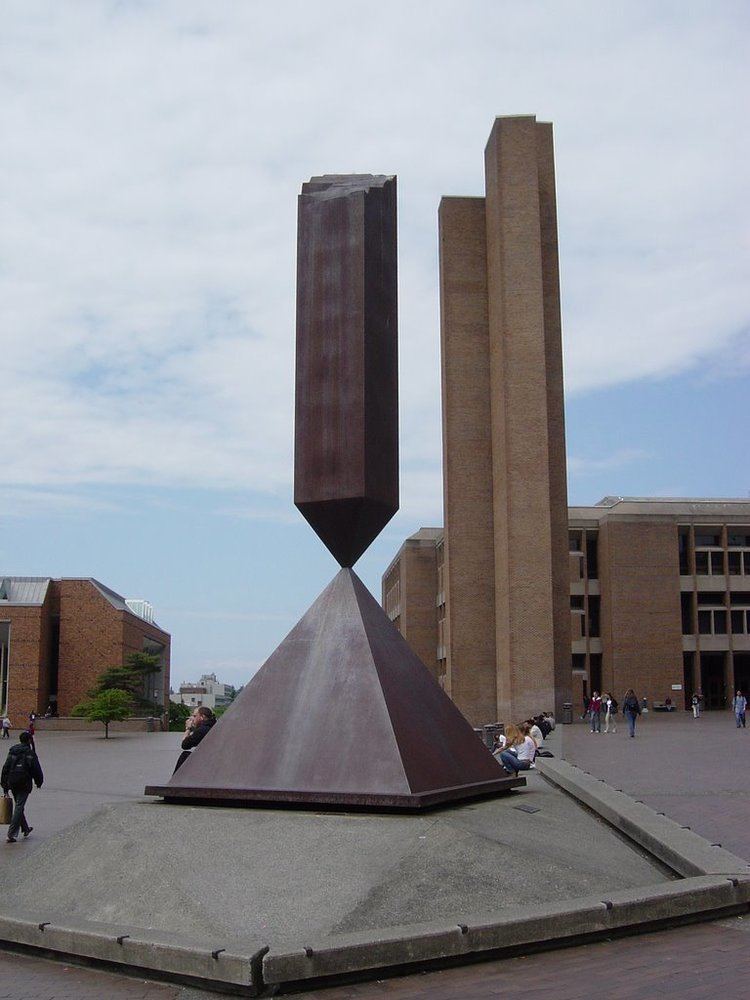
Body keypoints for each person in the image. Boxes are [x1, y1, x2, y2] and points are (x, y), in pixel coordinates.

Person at [1, 731, 43, 843]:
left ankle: (25, 828)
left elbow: (5, 768)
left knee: (19, 805)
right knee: (19, 806)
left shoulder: (13, 751)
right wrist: (39, 782)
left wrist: (4, 785)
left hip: (13, 782)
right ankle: (11, 834)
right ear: (29, 740)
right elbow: (36, 769)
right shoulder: (30, 753)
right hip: (24, 783)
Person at [173, 706, 216, 773]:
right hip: (213, 759)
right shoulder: (214, 726)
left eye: (195, 716)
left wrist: (188, 729)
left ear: (202, 717)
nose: (193, 719)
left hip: (206, 762)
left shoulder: (202, 730)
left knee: (184, 756)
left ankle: (176, 780)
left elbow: (185, 745)